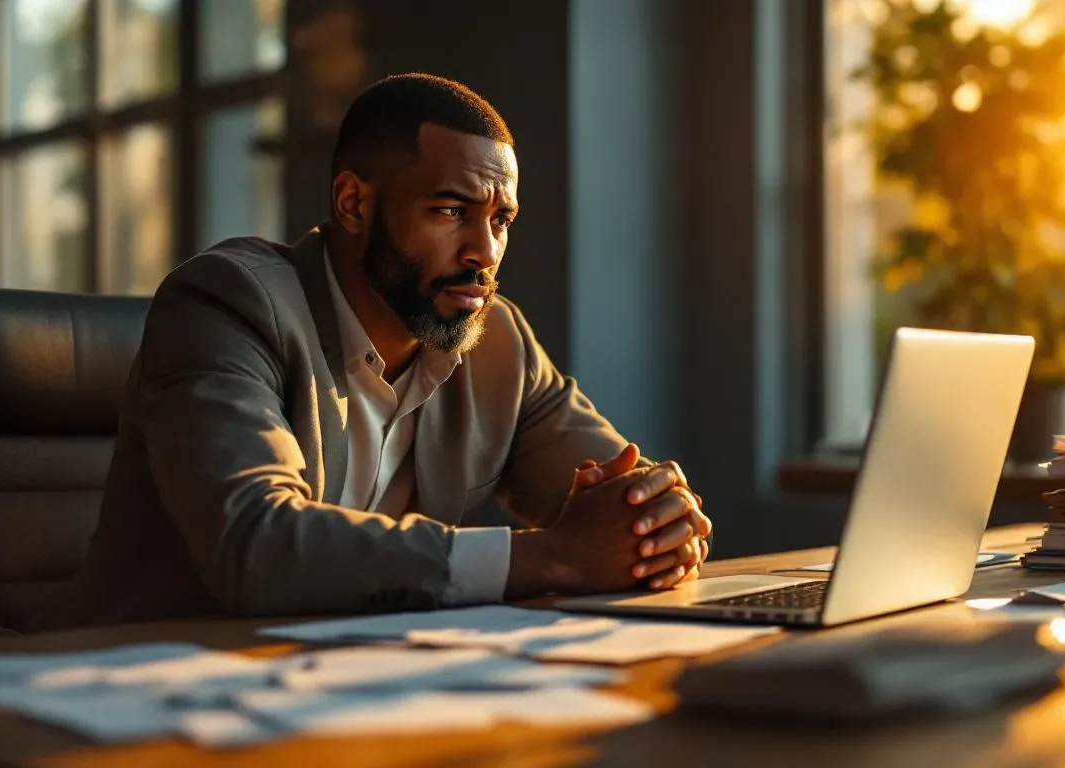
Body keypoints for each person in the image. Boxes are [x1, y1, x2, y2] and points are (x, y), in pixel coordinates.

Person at [47, 73, 711, 628]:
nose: (484, 250)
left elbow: (619, 501)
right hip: (130, 691)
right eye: (451, 211)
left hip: (355, 689)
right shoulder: (226, 304)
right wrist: (552, 558)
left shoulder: (497, 341)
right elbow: (257, 544)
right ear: (353, 203)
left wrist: (656, 521)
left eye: (499, 219)